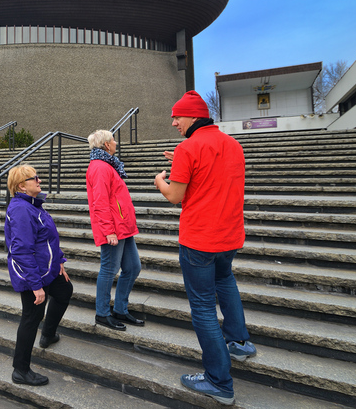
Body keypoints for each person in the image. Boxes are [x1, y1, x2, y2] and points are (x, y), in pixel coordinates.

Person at [154, 90, 256, 406]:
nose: (173, 122)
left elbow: (175, 196)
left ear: (194, 116)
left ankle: (218, 381)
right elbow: (212, 173)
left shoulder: (189, 148)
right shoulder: (233, 145)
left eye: (177, 116)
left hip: (199, 240)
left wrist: (160, 180)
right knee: (226, 282)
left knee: (201, 306)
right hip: (230, 237)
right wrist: (183, 161)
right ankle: (240, 342)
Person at [4, 164, 73, 386]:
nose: (39, 181)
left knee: (64, 291)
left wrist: (59, 260)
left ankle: (48, 334)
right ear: (21, 186)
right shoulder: (21, 210)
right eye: (35, 178)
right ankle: (20, 370)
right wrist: (35, 285)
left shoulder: (33, 205)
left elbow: (48, 238)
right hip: (33, 274)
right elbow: (21, 251)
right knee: (31, 317)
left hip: (48, 270)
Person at [86, 129, 142, 331]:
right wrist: (108, 230)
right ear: (106, 145)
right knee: (109, 270)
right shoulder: (100, 167)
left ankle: (120, 309)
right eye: (113, 139)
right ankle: (102, 313)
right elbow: (99, 202)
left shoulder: (108, 165)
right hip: (113, 229)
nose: (116, 142)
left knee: (133, 267)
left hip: (123, 227)